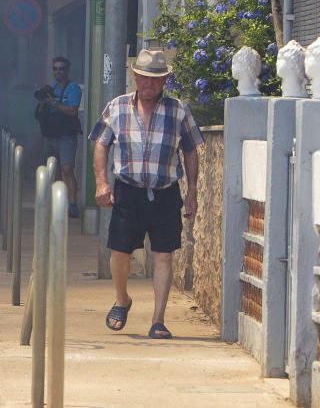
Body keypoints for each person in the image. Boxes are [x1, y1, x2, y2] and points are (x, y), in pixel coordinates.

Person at [88, 49, 203, 340]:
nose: (148, 84)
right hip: (128, 190)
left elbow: (190, 149)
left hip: (165, 191)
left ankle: (158, 320)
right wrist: (101, 183)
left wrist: (192, 193)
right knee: (119, 251)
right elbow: (101, 143)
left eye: (155, 79)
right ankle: (121, 299)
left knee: (163, 255)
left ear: (165, 79)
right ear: (135, 77)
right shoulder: (117, 106)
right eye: (143, 78)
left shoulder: (178, 110)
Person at [34, 56, 83, 218]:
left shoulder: (73, 88)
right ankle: (56, 202)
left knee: (67, 169)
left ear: (67, 70)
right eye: (55, 68)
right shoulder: (51, 88)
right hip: (51, 134)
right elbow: (40, 114)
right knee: (53, 169)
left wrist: (54, 103)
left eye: (61, 68)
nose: (58, 71)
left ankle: (72, 203)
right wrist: (43, 101)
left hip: (66, 135)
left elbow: (73, 111)